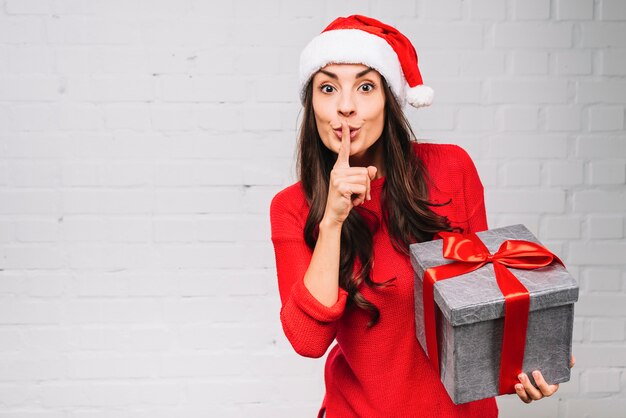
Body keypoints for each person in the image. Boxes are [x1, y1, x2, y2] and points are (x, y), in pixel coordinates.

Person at [270, 15, 569, 418]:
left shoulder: (451, 169)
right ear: (312, 104)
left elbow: (484, 297)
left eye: (365, 87)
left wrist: (529, 359)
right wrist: (333, 221)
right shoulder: (293, 206)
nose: (345, 106)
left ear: (389, 99)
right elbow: (307, 340)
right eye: (327, 88)